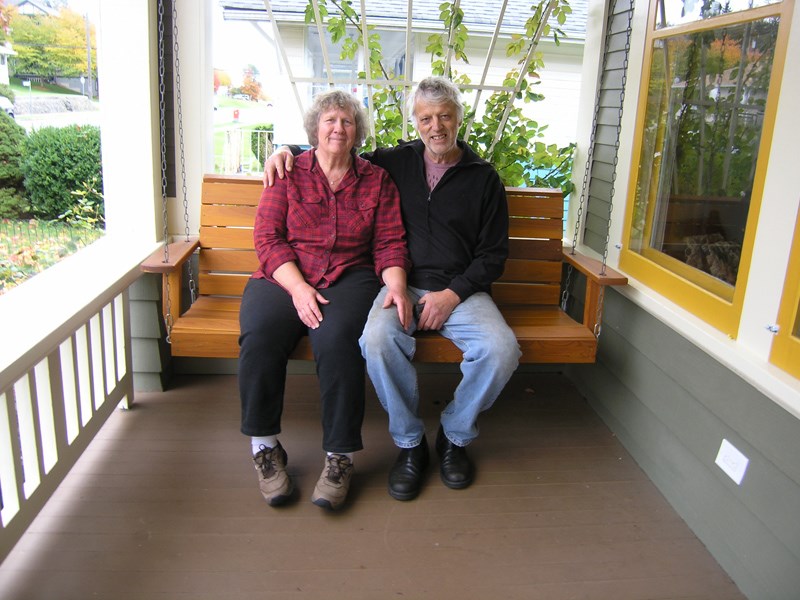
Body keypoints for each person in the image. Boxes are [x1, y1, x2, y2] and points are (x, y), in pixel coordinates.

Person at [265, 77, 521, 502]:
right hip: (396, 282)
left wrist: (452, 294)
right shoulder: (395, 162)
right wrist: (287, 150)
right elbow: (334, 147)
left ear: (458, 119)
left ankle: (454, 437)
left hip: (461, 293)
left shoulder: (483, 179)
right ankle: (410, 444)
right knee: (377, 340)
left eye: (444, 116)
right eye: (425, 118)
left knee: (501, 350)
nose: (435, 126)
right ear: (415, 122)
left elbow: (492, 256)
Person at [240, 89, 410, 511]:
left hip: (348, 277)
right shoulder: (288, 171)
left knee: (337, 342)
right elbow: (267, 238)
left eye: (347, 122)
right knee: (261, 335)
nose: (338, 128)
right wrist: (298, 288)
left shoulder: (376, 180)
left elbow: (390, 242)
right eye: (330, 120)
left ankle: (340, 456)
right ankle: (264, 448)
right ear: (315, 128)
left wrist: (397, 285)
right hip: (283, 274)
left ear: (357, 133)